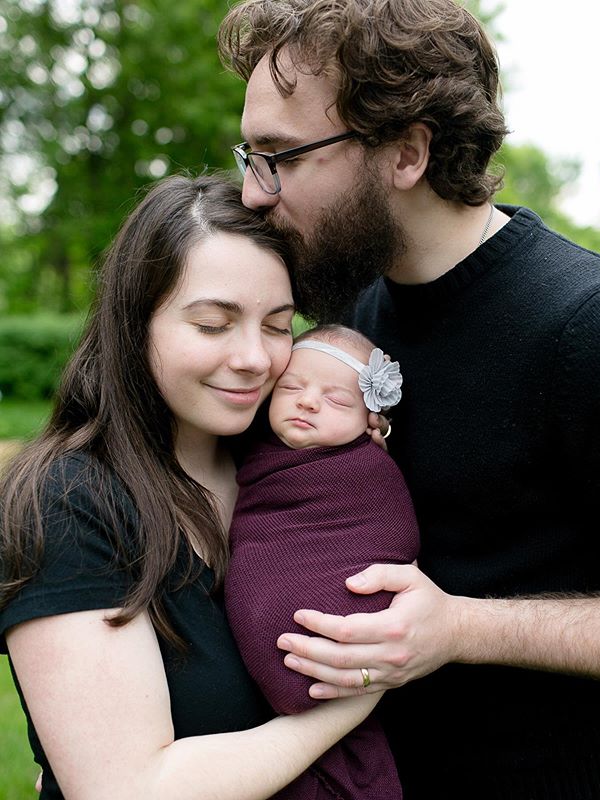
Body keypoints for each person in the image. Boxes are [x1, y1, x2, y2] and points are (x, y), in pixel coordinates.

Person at [217, 1, 600, 798]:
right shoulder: (348, 317)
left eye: (280, 155)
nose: (251, 193)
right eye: (251, 153)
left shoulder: (598, 330)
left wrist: (463, 628)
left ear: (406, 153)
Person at [0, 173, 384, 800]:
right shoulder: (69, 503)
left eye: (278, 325)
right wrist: (356, 695)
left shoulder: (284, 466)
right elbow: (126, 789)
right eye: (213, 325)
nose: (255, 359)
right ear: (135, 324)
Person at [225, 323, 420, 799]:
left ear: (372, 422)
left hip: (334, 647)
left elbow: (391, 537)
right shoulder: (248, 452)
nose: (307, 401)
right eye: (291, 387)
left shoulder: (367, 474)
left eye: (336, 400)